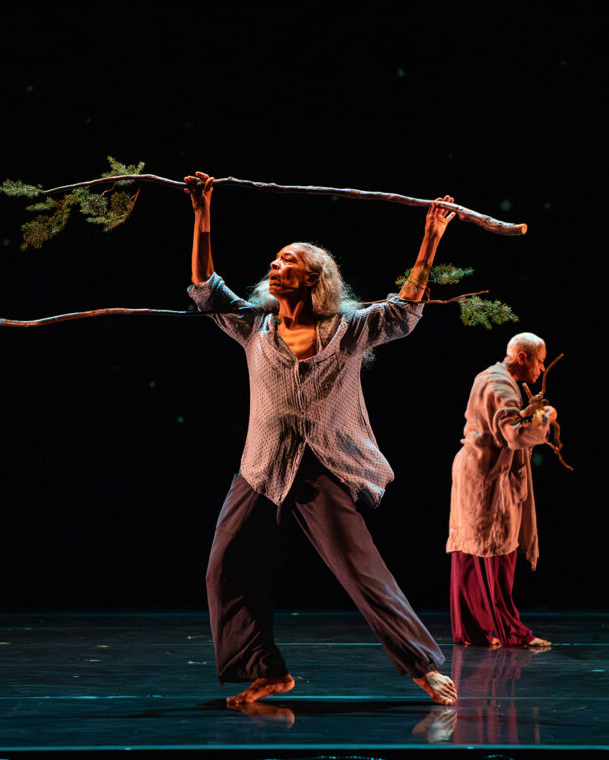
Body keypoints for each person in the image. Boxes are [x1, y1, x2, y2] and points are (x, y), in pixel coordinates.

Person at [184, 171, 459, 707]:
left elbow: (403, 311)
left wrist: (431, 238)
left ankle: (422, 666)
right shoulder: (252, 325)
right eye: (275, 260)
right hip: (261, 467)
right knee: (225, 566)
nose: (274, 265)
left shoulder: (347, 330)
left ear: (313, 279)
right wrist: (202, 210)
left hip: (324, 469)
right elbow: (205, 288)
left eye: (287, 260)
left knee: (360, 570)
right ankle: (265, 671)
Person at [446, 332, 556, 649]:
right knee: (493, 552)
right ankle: (508, 632)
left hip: (477, 471)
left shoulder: (491, 375)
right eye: (539, 361)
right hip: (486, 476)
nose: (541, 369)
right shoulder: (501, 385)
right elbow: (515, 435)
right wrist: (546, 418)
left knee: (472, 550)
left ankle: (474, 631)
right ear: (522, 357)